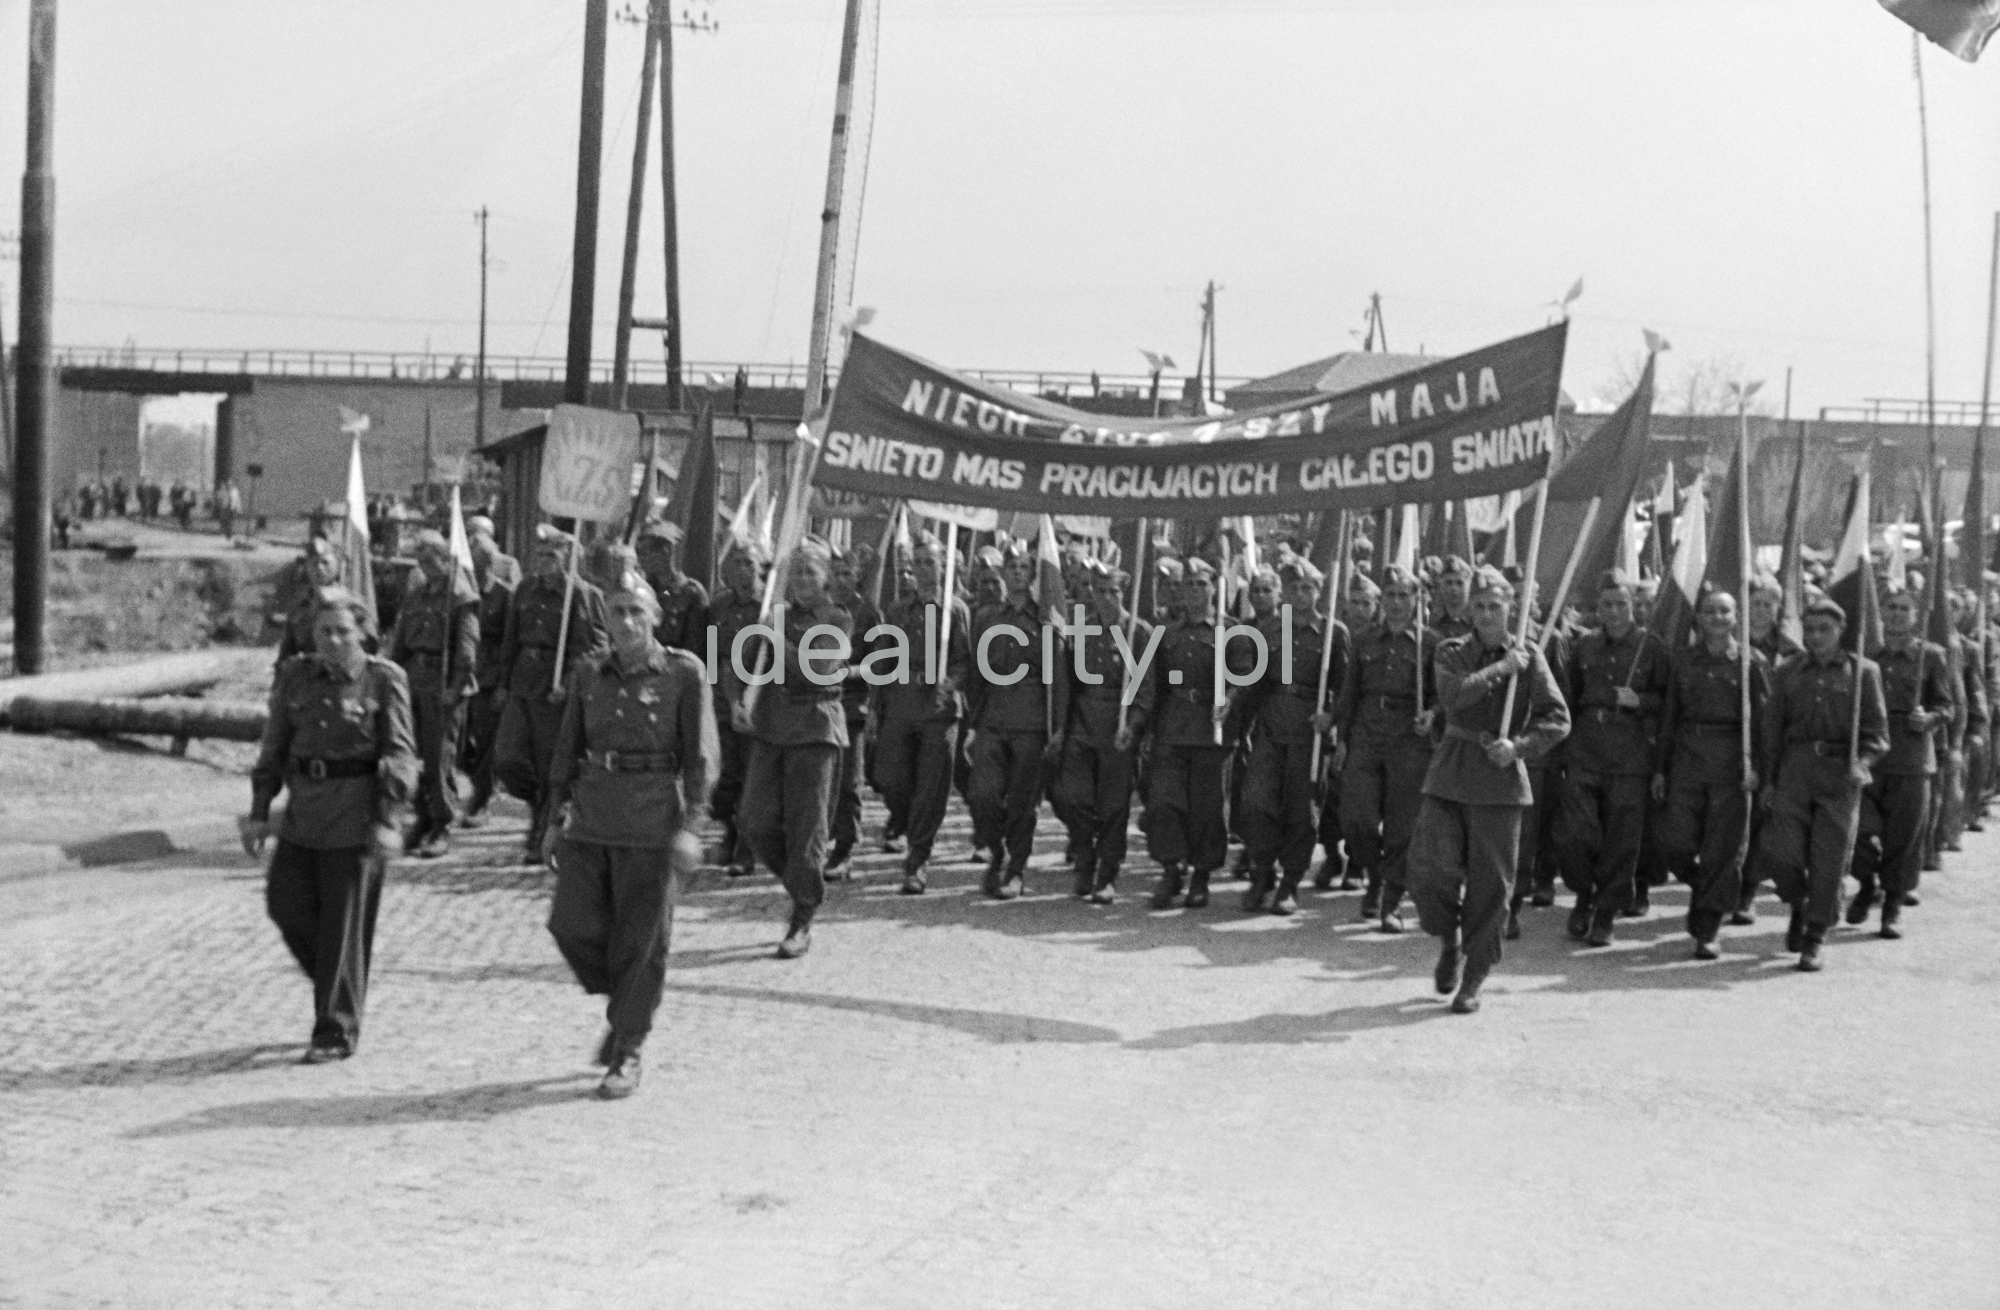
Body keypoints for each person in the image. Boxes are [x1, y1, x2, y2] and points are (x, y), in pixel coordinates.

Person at [544, 571, 717, 1099]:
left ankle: (627, 1047)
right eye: (616, 611)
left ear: (656, 618)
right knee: (569, 924)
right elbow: (567, 748)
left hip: (651, 824)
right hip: (592, 820)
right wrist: (554, 820)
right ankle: (626, 1006)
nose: (625, 621)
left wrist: (693, 827)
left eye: (636, 611)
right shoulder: (588, 672)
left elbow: (701, 759)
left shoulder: (683, 674)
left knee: (642, 943)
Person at [240, 588, 419, 1062]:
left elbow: (401, 755)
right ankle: (336, 983)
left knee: (341, 928)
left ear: (363, 633)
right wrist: (260, 809)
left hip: (354, 819)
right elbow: (274, 746)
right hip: (302, 818)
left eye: (343, 631)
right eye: (324, 631)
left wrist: (388, 818)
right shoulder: (296, 677)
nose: (333, 640)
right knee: (285, 904)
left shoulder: (384, 680)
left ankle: (335, 1030)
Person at [1406, 566, 1569, 1015]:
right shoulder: (1451, 650)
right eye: (1477, 606)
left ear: (1509, 608)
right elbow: (1455, 696)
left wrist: (1518, 747)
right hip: (1451, 774)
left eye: (1494, 606)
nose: (1484, 614)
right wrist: (1502, 667)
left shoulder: (1530, 657)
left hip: (1499, 783)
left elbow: (1558, 719)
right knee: (1429, 872)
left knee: (1491, 888)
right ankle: (1448, 937)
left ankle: (1474, 976)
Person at [730, 539, 854, 957]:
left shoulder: (837, 617)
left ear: (826, 578)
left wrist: (773, 635)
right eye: (796, 572)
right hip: (771, 727)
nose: (801, 581)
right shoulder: (775, 614)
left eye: (810, 573)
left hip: (815, 728)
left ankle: (802, 916)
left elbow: (816, 668)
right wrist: (735, 701)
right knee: (753, 819)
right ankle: (802, 885)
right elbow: (739, 662)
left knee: (807, 829)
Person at [1750, 597, 1888, 971]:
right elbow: (1771, 731)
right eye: (1809, 630)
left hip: (1839, 774)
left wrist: (1863, 763)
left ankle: (1814, 935)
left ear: (1841, 631)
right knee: (1781, 854)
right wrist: (1768, 779)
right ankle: (1800, 902)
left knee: (1829, 860)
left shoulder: (1864, 673)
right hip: (1794, 769)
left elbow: (1878, 735)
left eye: (1824, 629)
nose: (1815, 637)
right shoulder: (1788, 671)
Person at [1653, 589, 1771, 959]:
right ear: (1699, 619)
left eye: (1725, 611)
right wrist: (1661, 768)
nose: (1717, 618)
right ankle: (1711, 889)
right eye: (1709, 611)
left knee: (1723, 849)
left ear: (1737, 617)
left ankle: (1707, 927)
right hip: (1687, 757)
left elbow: (1764, 722)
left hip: (1731, 761)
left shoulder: (1750, 662)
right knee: (1675, 844)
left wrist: (1758, 769)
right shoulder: (1683, 661)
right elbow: (1670, 716)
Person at [1555, 570, 1670, 947]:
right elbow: (1568, 698)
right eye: (1607, 604)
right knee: (1576, 832)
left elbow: (1669, 704)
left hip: (1630, 755)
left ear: (1634, 605)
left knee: (1622, 838)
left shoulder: (1651, 647)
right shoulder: (1584, 646)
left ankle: (1604, 912)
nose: (1614, 611)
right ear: (1597, 609)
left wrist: (1643, 702)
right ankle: (1584, 895)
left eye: (1621, 603)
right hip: (1586, 749)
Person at [1142, 557, 1256, 909]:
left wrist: (1230, 699)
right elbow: (1155, 685)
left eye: (1201, 585)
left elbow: (1244, 676)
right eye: (1188, 585)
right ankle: (1171, 868)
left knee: (1206, 807)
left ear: (1214, 589)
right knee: (1163, 802)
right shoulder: (1167, 634)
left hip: (1212, 730)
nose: (1194, 591)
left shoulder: (1232, 631)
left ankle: (1201, 874)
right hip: (1173, 726)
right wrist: (1146, 729)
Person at [494, 528, 609, 862]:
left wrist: (571, 682)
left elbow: (595, 647)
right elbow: (509, 638)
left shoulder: (583, 594)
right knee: (507, 758)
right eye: (539, 554)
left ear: (568, 559)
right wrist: (503, 682)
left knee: (549, 764)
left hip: (554, 688)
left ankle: (543, 828)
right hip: (522, 681)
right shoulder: (525, 589)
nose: (542, 561)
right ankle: (539, 804)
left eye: (551, 556)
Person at [1847, 586, 1953, 938]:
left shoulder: (1932, 656)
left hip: (1911, 758)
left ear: (1916, 615)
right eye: (1890, 607)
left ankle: (1891, 906)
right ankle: (1866, 883)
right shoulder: (1868, 654)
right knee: (1857, 831)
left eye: (1903, 609)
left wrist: (1931, 718)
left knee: (1903, 839)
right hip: (1871, 756)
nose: (1895, 614)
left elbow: (1947, 705)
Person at [1239, 558, 1341, 915]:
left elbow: (1347, 689)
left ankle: (1289, 884)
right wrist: (1235, 712)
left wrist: (1332, 718)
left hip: (1308, 733)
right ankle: (1262, 871)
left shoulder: (1333, 634)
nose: (1301, 594)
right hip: (1270, 727)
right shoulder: (1270, 631)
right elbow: (1254, 681)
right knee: (1255, 803)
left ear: (1319, 591)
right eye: (1294, 587)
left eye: (1308, 587)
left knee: (1302, 811)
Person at [1334, 562, 1433, 930]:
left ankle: (1390, 898)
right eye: (1389, 595)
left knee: (1401, 826)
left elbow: (1443, 697)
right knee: (1356, 818)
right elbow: (1349, 694)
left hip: (1408, 740)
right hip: (1366, 735)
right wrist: (1341, 739)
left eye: (1403, 595)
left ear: (1416, 599)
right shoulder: (1364, 642)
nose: (1395, 603)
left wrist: (1434, 714)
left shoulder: (1431, 643)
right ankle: (1374, 873)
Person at [872, 533, 970, 894]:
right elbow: (883, 660)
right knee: (889, 777)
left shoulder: (955, 610)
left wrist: (950, 682)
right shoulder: (898, 610)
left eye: (931, 562)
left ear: (943, 565)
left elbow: (965, 661)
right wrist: (875, 709)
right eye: (919, 563)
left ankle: (917, 860)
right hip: (900, 701)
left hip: (938, 708)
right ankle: (902, 819)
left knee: (931, 786)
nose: (924, 569)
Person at [965, 547, 1066, 898]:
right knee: (982, 795)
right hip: (993, 716)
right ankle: (997, 851)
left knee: (1024, 803)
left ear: (1034, 575)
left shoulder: (1047, 620)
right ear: (1004, 574)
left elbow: (1060, 679)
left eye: (1025, 567)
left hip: (1032, 720)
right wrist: (972, 725)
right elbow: (977, 676)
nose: (1019, 572)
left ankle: (1015, 870)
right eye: (1013, 567)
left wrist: (1057, 727)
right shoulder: (987, 618)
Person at [1056, 562, 1155, 904]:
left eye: (1114, 591)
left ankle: (1107, 873)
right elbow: (1068, 682)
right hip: (1084, 723)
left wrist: (1133, 726)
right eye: (1101, 591)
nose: (1108, 598)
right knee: (1072, 798)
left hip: (1118, 725)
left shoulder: (1138, 632)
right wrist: (1062, 726)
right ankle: (1084, 859)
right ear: (1092, 594)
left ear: (1123, 593)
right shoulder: (1081, 629)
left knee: (1114, 805)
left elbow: (1145, 689)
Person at [386, 531, 481, 857]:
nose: (426, 567)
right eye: (421, 561)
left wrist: (455, 689)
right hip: (414, 681)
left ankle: (442, 823)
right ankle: (423, 818)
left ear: (447, 559)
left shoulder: (460, 598)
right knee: (413, 757)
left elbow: (467, 652)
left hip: (444, 687)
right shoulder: (417, 597)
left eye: (432, 561)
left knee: (439, 757)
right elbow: (400, 645)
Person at [703, 542, 766, 876]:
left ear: (761, 567)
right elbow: (712, 657)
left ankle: (746, 848)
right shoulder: (720, 606)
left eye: (749, 563)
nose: (744, 570)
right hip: (722, 702)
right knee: (724, 780)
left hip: (755, 702)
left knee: (751, 779)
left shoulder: (771, 607)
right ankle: (729, 833)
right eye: (737, 563)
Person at [825, 546, 883, 880]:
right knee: (821, 781)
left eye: (847, 573)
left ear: (857, 576)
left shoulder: (868, 612)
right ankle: (822, 839)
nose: (841, 579)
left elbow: (880, 664)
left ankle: (845, 848)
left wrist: (848, 673)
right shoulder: (819, 610)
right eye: (836, 573)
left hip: (851, 707)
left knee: (848, 782)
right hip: (817, 705)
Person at [459, 515, 522, 826]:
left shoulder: (505, 593)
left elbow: (512, 639)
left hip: (489, 673)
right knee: (460, 743)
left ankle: (481, 799)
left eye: (481, 556)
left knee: (487, 740)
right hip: (462, 672)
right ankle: (481, 785)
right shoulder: (459, 594)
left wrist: (504, 682)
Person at [635, 522, 709, 654]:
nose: (640, 559)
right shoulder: (643, 590)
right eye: (638, 553)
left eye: (645, 553)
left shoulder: (692, 593)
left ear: (666, 551)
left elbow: (697, 646)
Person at [276, 539, 352, 666]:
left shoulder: (350, 604)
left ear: (337, 565)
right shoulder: (299, 603)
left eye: (325, 562)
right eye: (314, 563)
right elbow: (287, 651)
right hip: (307, 675)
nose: (319, 568)